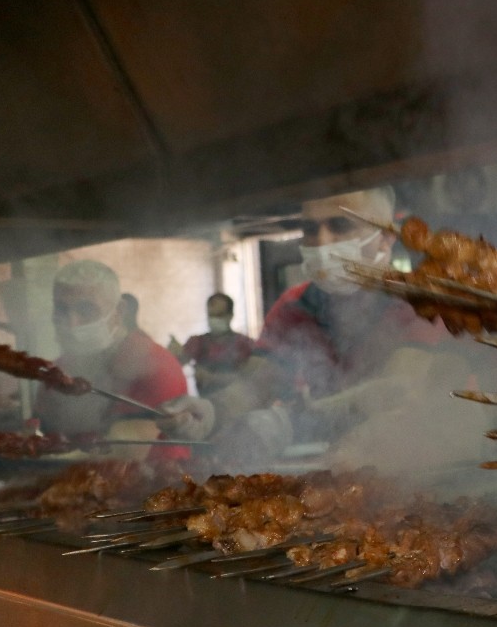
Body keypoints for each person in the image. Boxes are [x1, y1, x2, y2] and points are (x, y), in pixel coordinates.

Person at [162, 187, 479, 465]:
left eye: (340, 225)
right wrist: (210, 410)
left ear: (384, 238)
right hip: (341, 470)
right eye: (310, 229)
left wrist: (288, 421)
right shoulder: (294, 306)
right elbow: (256, 383)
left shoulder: (420, 302)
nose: (321, 241)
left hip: (429, 467)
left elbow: (398, 388)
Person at [36, 260, 188, 458]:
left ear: (119, 311)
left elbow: (127, 451)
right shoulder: (59, 370)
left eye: (86, 309)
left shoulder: (153, 364)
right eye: (62, 309)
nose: (72, 323)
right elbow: (41, 432)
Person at [177, 293, 256, 396]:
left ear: (230, 315)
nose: (214, 320)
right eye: (211, 315)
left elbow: (250, 379)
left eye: (219, 315)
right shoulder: (197, 342)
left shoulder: (244, 344)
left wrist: (211, 378)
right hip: (206, 406)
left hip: (237, 406)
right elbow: (177, 363)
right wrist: (174, 353)